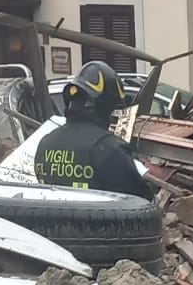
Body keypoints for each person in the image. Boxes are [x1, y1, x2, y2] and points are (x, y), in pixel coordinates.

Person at [34, 61, 154, 201]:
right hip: (99, 223)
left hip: (49, 223)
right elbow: (140, 200)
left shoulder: (45, 143)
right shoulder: (110, 148)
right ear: (105, 105)